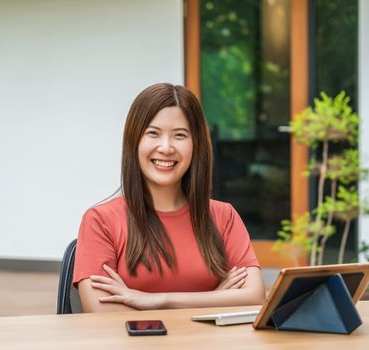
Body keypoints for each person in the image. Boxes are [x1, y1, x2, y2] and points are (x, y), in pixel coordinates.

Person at [73, 83, 266, 312]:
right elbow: (104, 314)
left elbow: (254, 297)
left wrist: (157, 300)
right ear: (134, 142)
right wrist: (213, 300)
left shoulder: (224, 216)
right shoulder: (100, 220)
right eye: (153, 133)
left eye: (180, 135)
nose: (166, 147)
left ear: (196, 145)